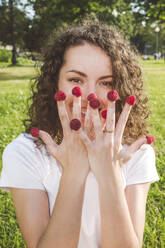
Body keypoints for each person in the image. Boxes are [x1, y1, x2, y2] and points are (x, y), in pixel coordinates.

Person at [0, 18, 159, 248]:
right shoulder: (24, 152)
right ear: (55, 84)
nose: (89, 96)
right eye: (76, 80)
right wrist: (74, 172)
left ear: (120, 89)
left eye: (106, 83)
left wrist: (109, 175)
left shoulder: (137, 152)